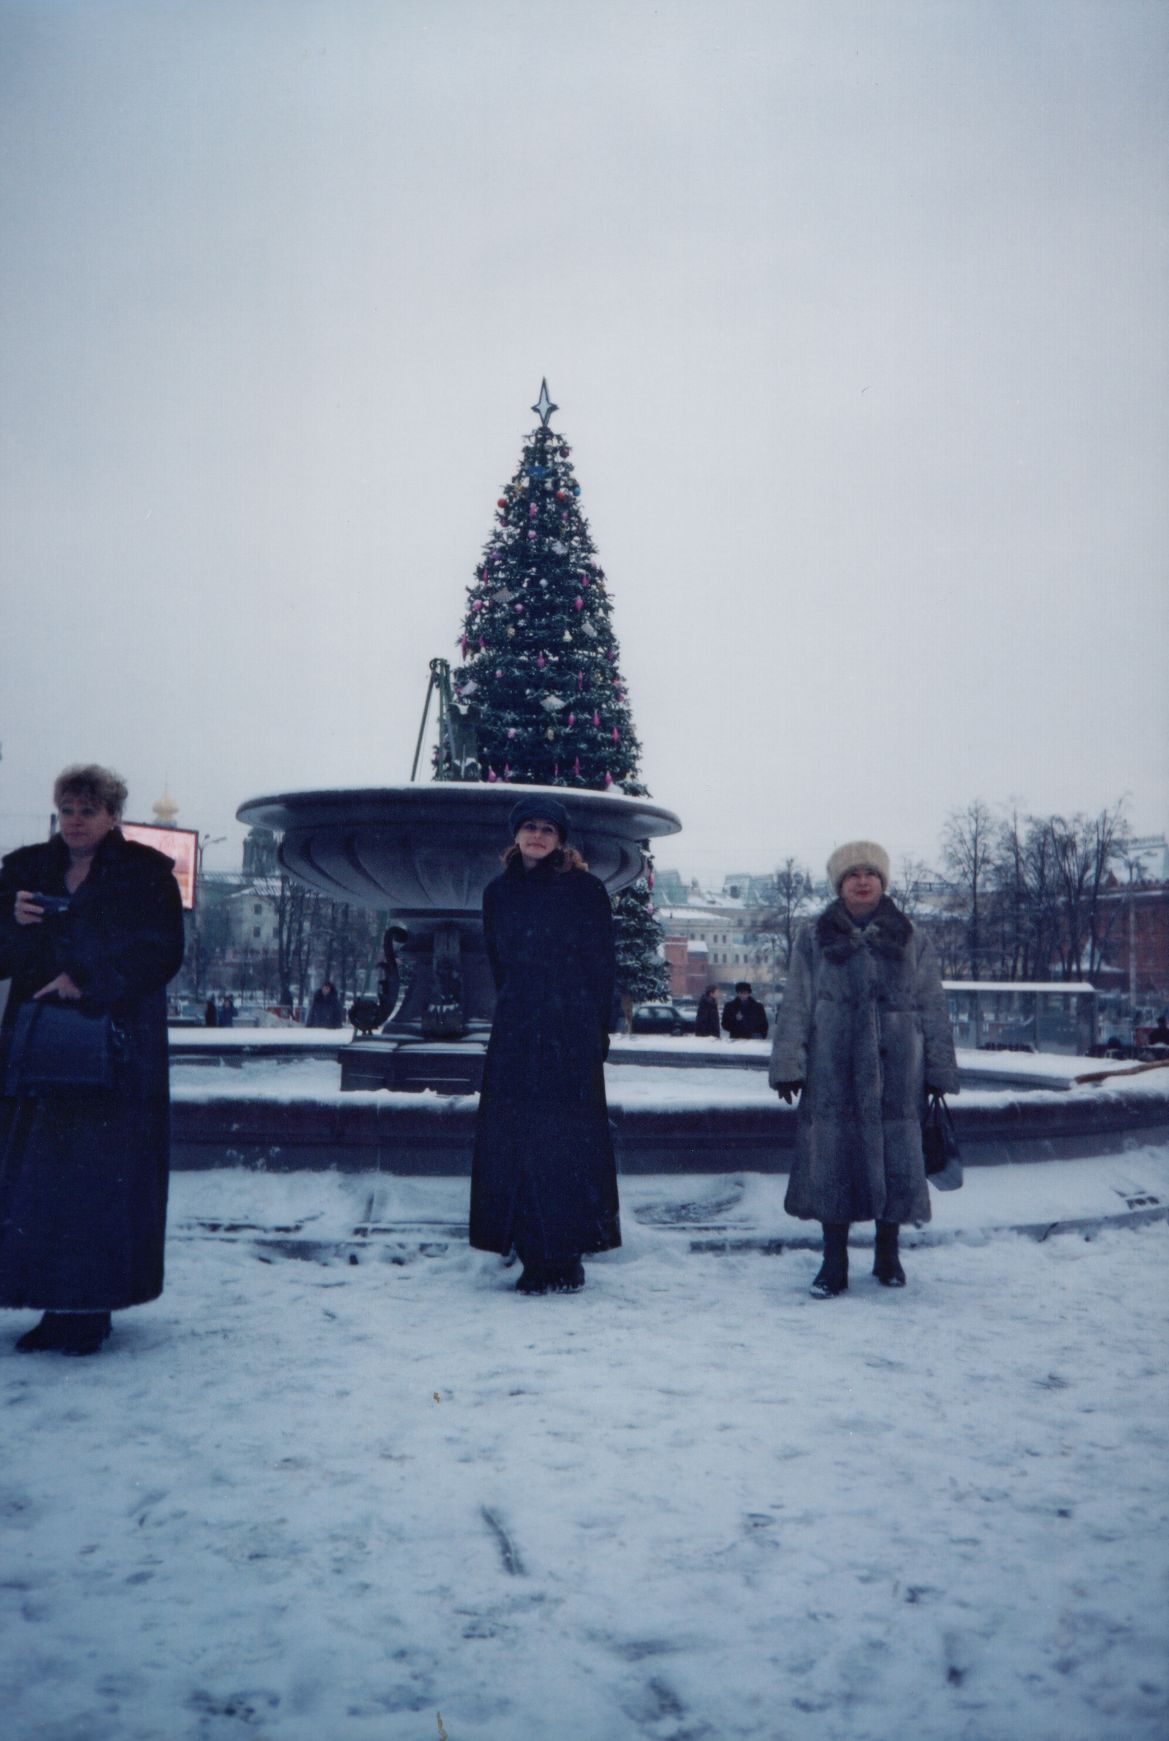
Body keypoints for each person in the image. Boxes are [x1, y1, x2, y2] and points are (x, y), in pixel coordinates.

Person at [0, 765, 185, 1354]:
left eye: (88, 811)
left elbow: (162, 953)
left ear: (112, 815)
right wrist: (10, 921)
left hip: (114, 1049)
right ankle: (49, 1304)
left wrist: (85, 979)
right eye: (67, 810)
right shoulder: (23, 870)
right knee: (37, 1181)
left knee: (98, 1181)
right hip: (40, 1047)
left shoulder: (147, 873)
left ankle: (90, 1309)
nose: (75, 822)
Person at [769, 839, 958, 1299]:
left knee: (896, 1161)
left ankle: (888, 1252)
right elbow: (796, 1002)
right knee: (832, 1162)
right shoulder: (814, 937)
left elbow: (932, 1005)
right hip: (833, 1072)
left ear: (883, 881)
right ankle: (833, 1261)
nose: (862, 881)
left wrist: (938, 1068)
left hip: (899, 1075)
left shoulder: (911, 937)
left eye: (871, 873)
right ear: (839, 884)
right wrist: (790, 1062)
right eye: (852, 874)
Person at [470, 795, 619, 1294]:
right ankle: (533, 1253)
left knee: (567, 1141)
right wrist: (517, 1010)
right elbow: (499, 962)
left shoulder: (585, 890)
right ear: (516, 835)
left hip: (570, 1029)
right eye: (530, 827)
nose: (537, 835)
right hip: (517, 1030)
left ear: (560, 839)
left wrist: (597, 1029)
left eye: (548, 829)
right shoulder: (498, 892)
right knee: (517, 1141)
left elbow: (602, 965)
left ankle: (567, 1256)